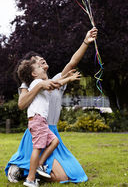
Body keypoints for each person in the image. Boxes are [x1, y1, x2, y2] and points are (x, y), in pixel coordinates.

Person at [5, 27, 98, 183]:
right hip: (36, 132)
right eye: (36, 59)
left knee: (74, 174)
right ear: (33, 70)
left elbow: (73, 61)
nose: (40, 59)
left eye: (41, 58)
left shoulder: (56, 81)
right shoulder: (29, 84)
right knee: (59, 176)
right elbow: (21, 104)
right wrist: (38, 86)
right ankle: (22, 168)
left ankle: (32, 170)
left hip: (52, 134)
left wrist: (86, 41)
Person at [17, 59, 81, 187]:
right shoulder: (38, 82)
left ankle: (40, 165)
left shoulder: (38, 82)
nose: (43, 68)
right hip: (37, 120)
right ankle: (30, 179)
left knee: (54, 141)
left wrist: (66, 78)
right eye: (39, 68)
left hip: (41, 122)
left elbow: (54, 85)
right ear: (34, 74)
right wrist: (69, 79)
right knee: (37, 148)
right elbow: (55, 85)